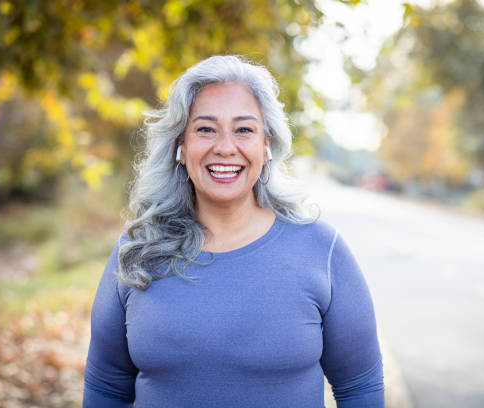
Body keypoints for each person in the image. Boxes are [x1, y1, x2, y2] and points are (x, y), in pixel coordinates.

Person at [83, 55, 384, 408]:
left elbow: (360, 387)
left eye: (244, 129)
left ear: (266, 144)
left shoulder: (321, 249)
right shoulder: (137, 251)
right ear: (181, 146)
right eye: (206, 129)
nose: (225, 147)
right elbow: (106, 387)